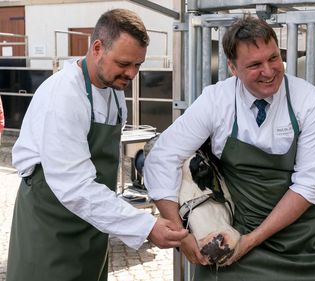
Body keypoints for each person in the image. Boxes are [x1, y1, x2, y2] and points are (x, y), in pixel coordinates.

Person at [143, 16, 315, 280]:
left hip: (313, 235)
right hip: (242, 224)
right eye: (254, 64)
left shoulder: (309, 101)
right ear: (232, 67)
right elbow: (163, 157)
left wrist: (250, 242)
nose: (269, 70)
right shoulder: (216, 101)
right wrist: (181, 235)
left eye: (273, 58)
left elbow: (310, 184)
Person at [7, 9, 188, 281]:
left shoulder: (114, 94)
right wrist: (145, 226)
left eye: (138, 65)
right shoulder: (64, 95)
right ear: (97, 48)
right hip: (50, 222)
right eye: (124, 63)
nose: (131, 74)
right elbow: (74, 186)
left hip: (92, 222)